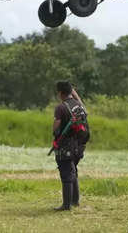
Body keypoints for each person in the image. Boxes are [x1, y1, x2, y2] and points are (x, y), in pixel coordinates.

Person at [51, 81, 90, 211]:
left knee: (67, 173)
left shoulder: (61, 108)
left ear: (60, 93)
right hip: (78, 145)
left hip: (65, 145)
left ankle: (66, 205)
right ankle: (75, 201)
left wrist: (55, 134)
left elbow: (56, 128)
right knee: (73, 171)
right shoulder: (79, 106)